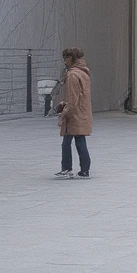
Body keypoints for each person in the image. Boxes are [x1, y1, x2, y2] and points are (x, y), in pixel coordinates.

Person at [56, 47, 93, 178]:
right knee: (80, 140)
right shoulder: (84, 73)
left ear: (71, 58)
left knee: (66, 142)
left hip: (73, 115)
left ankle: (66, 168)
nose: (64, 62)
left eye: (65, 58)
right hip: (83, 113)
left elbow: (73, 98)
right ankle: (85, 169)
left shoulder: (72, 75)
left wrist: (64, 112)